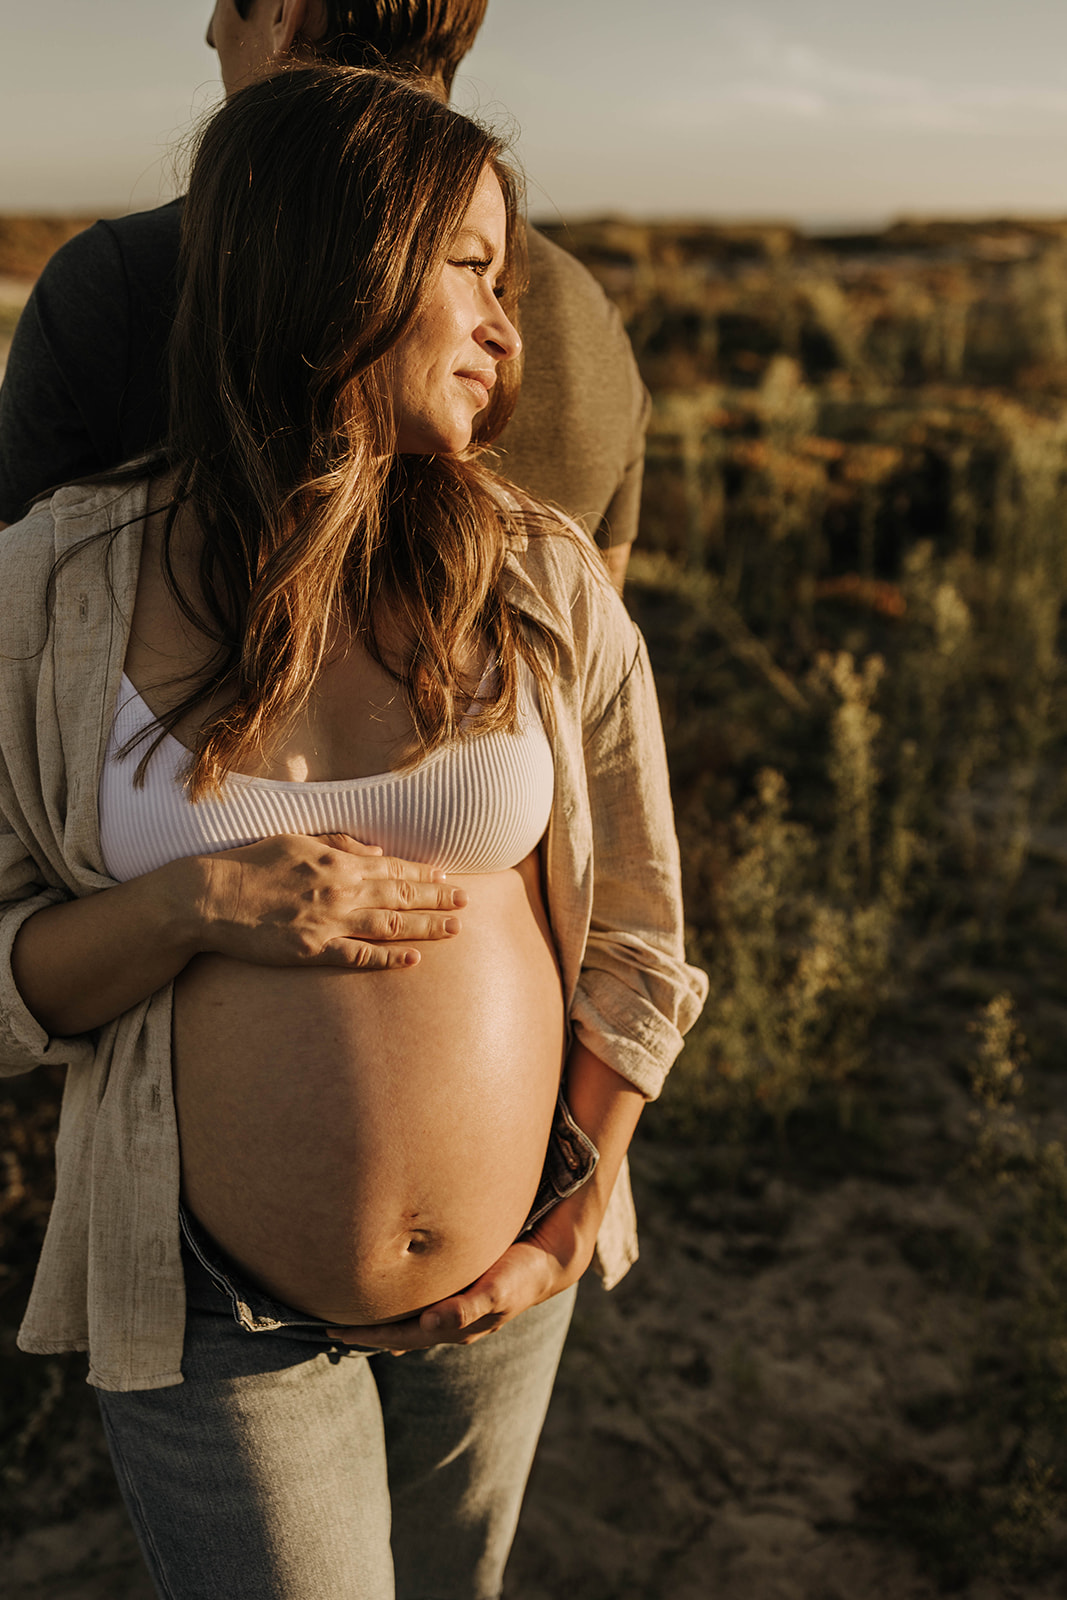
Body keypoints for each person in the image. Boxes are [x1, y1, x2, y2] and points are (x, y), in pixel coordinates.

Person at [0, 64, 706, 1600]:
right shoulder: (49, 593)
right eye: (470, 268)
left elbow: (643, 929)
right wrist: (195, 905)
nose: (509, 328)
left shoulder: (543, 579)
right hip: (201, 1314)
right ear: (342, 266)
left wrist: (567, 1222)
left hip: (509, 1284)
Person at [0, 0, 648, 590]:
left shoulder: (112, 283)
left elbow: (24, 618)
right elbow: (595, 653)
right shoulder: (589, 315)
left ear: (286, 13)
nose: (209, 32)